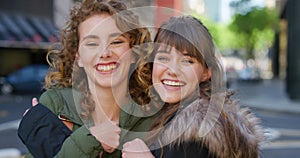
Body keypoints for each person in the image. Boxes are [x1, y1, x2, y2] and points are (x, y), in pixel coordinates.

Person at [18, 0, 154, 157]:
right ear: (78, 57)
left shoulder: (151, 118)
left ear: (133, 52)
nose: (105, 53)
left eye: (116, 42)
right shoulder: (56, 105)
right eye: (92, 43)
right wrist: (91, 139)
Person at [122, 15, 264, 158]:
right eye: (163, 58)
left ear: (206, 72)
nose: (172, 70)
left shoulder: (193, 138)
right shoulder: (165, 116)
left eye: (187, 61)